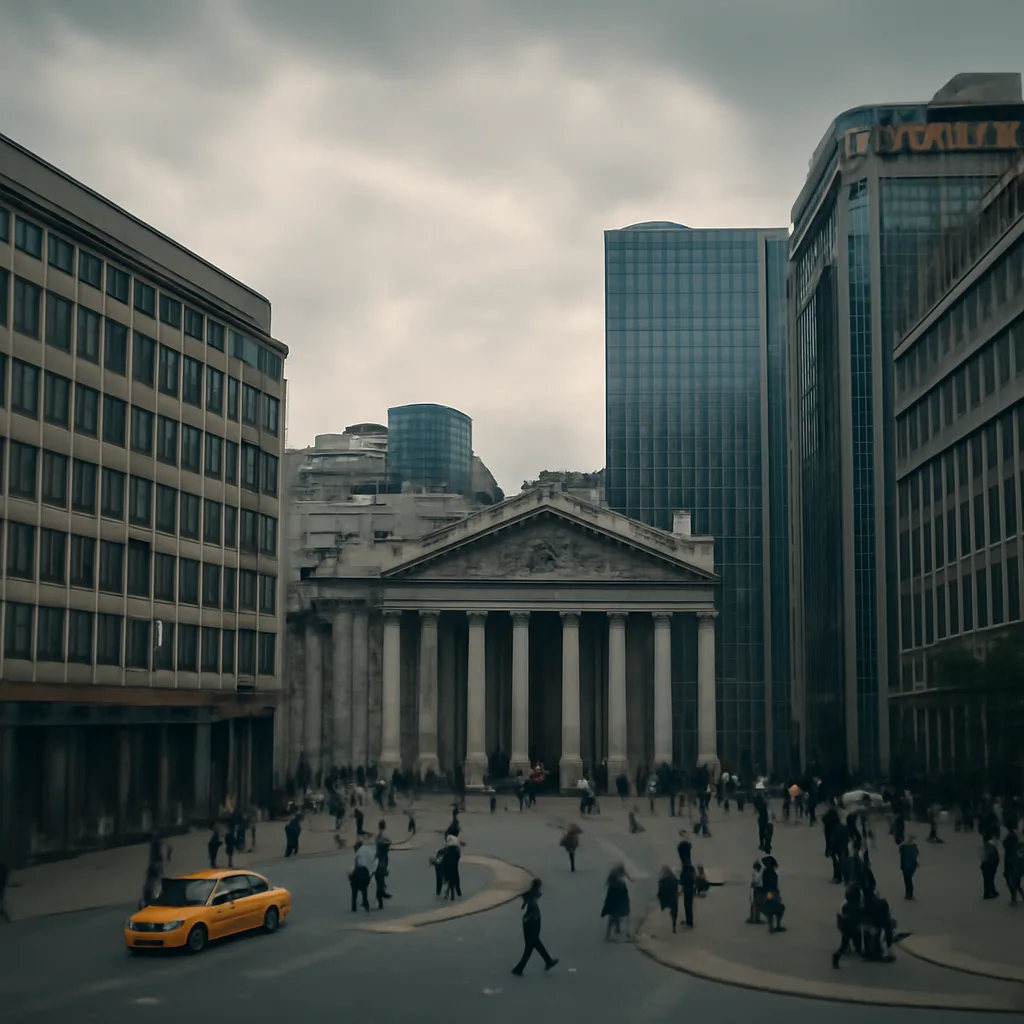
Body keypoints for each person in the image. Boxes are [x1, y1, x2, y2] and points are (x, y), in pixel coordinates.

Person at [511, 879, 557, 975]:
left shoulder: (529, 896)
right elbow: (529, 911)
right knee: (532, 944)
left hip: (529, 923)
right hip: (533, 923)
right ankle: (519, 968)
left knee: (533, 943)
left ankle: (548, 961)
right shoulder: (531, 898)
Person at [601, 863, 631, 940]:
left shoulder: (613, 883)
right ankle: (611, 933)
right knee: (615, 917)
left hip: (615, 902)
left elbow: (609, 896)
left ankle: (610, 933)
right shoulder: (619, 883)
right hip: (618, 902)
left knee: (613, 918)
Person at [350, 840, 374, 912]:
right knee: (364, 888)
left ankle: (354, 906)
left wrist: (352, 875)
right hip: (367, 872)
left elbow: (358, 865)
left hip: (360, 871)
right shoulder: (367, 850)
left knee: (354, 888)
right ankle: (365, 902)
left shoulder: (358, 853)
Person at [374, 820, 392, 908]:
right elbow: (389, 841)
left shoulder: (378, 834)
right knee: (381, 876)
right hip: (383, 856)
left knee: (379, 877)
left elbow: (377, 842)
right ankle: (382, 892)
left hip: (379, 856)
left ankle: (382, 890)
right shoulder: (384, 833)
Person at [657, 866, 680, 933]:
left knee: (672, 911)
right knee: (674, 912)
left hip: (667, 897)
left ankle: (673, 925)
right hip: (673, 897)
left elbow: (660, 890)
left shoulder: (662, 881)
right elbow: (676, 888)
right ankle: (674, 926)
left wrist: (658, 896)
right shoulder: (674, 879)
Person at [1004, 830, 1023, 905]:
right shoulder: (1018, 847)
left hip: (1013, 866)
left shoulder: (1012, 850)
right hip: (1015, 866)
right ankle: (1017, 897)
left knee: (1013, 882)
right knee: (1016, 883)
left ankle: (1014, 898)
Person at [441, 834, 462, 900]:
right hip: (454, 867)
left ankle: (449, 893)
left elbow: (444, 861)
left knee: (450, 880)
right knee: (455, 879)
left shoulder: (447, 851)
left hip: (448, 867)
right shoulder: (456, 850)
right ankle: (456, 892)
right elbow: (458, 857)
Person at [899, 835, 919, 899]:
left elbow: (902, 857)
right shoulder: (913, 847)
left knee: (907, 880)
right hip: (910, 866)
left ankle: (908, 893)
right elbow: (916, 854)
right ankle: (909, 893)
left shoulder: (903, 847)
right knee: (909, 879)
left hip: (905, 866)